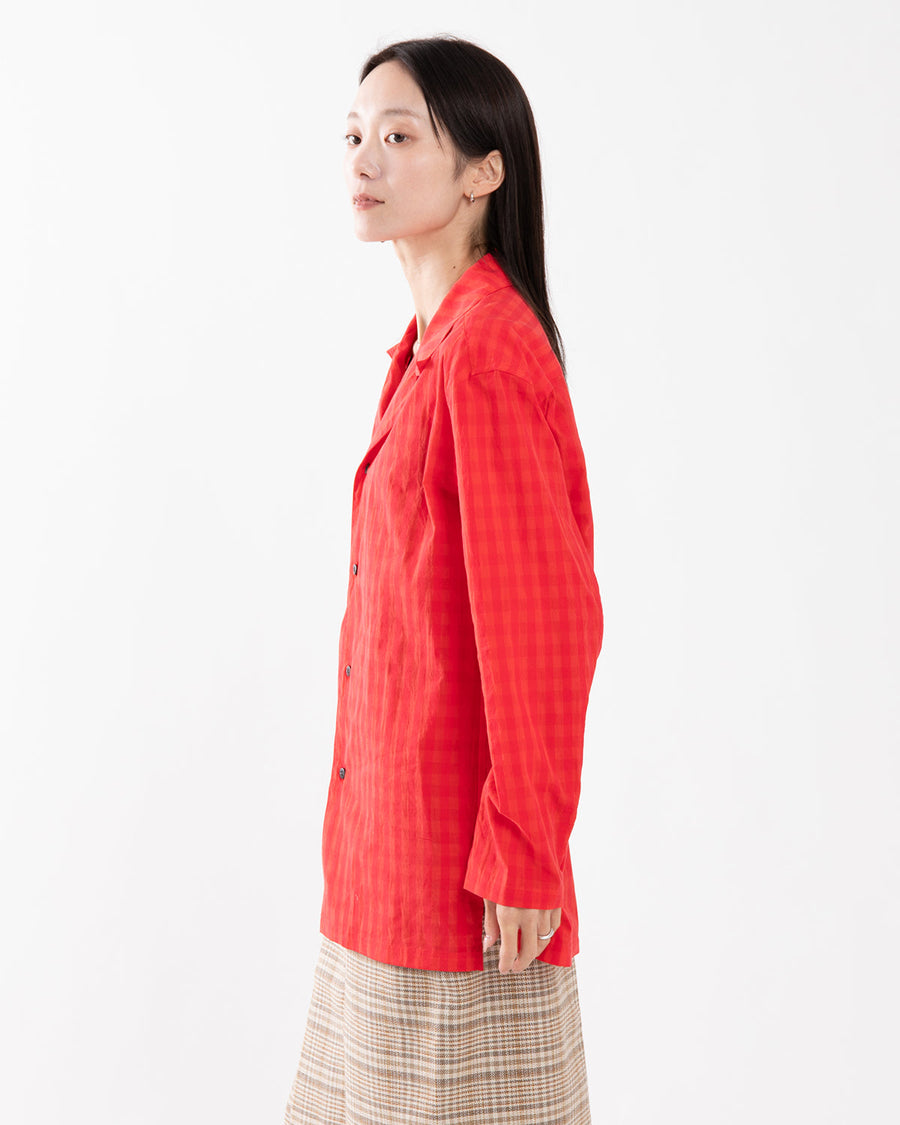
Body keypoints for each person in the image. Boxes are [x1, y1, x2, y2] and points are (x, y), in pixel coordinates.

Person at [283, 35, 604, 1125]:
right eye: (354, 135)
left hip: (457, 888)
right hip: (383, 863)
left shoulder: (487, 353)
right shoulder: (425, 350)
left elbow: (544, 625)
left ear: (483, 170)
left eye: (399, 134)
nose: (364, 157)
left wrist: (526, 851)